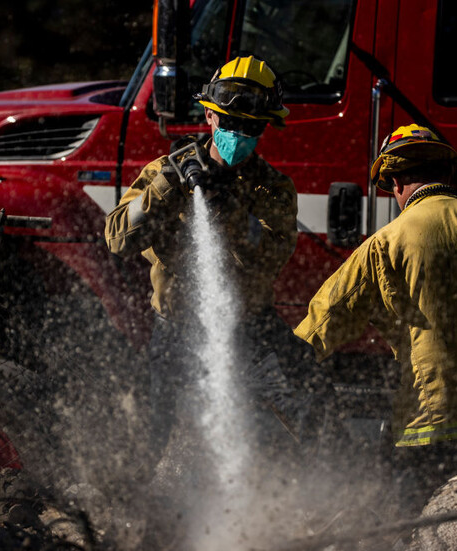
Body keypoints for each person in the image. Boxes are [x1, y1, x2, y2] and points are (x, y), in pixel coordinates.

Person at [295, 123, 457, 518]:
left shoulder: (388, 241)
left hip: (434, 415)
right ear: (446, 173)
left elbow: (330, 313)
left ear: (397, 182)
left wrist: (290, 363)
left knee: (406, 511)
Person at [105, 55, 332, 482]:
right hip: (176, 332)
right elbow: (117, 237)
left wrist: (232, 216)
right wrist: (168, 187)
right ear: (209, 116)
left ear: (265, 128)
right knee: (152, 435)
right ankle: (131, 505)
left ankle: (318, 498)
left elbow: (273, 257)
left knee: (313, 399)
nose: (240, 135)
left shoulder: (273, 188)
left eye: (252, 127)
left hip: (251, 329)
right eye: (231, 123)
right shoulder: (163, 173)